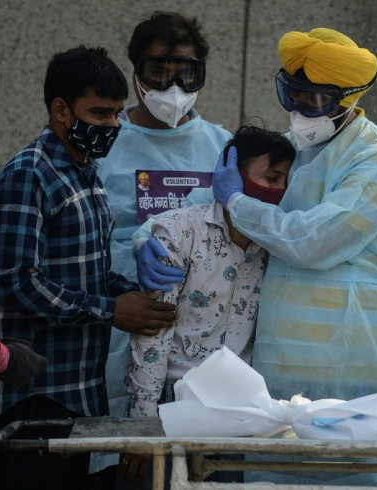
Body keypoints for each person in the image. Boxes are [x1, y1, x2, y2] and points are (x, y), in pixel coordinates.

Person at [140, 26, 377, 487]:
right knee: (279, 474)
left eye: (316, 100)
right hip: (279, 362)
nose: (300, 110)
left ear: (349, 99)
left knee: (355, 470)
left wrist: (237, 203)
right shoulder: (302, 153)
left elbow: (312, 241)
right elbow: (196, 210)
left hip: (355, 353)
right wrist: (147, 236)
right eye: (293, 94)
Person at [0, 46, 176, 490]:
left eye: (117, 113)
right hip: (36, 394)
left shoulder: (87, 171)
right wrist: (112, 310)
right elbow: (16, 283)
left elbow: (90, 272)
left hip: (81, 391)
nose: (113, 125)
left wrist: (142, 294)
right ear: (61, 110)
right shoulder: (29, 174)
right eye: (99, 113)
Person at [94, 10, 231, 483]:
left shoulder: (224, 147)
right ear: (135, 73)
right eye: (158, 69)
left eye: (186, 71)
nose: (173, 84)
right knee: (122, 456)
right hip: (122, 324)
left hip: (203, 333)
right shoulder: (105, 143)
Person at [119, 125, 294, 489]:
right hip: (174, 408)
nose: (278, 191)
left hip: (239, 415)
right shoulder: (179, 233)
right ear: (235, 177)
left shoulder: (281, 248)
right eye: (271, 177)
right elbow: (152, 336)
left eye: (286, 182)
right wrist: (143, 429)